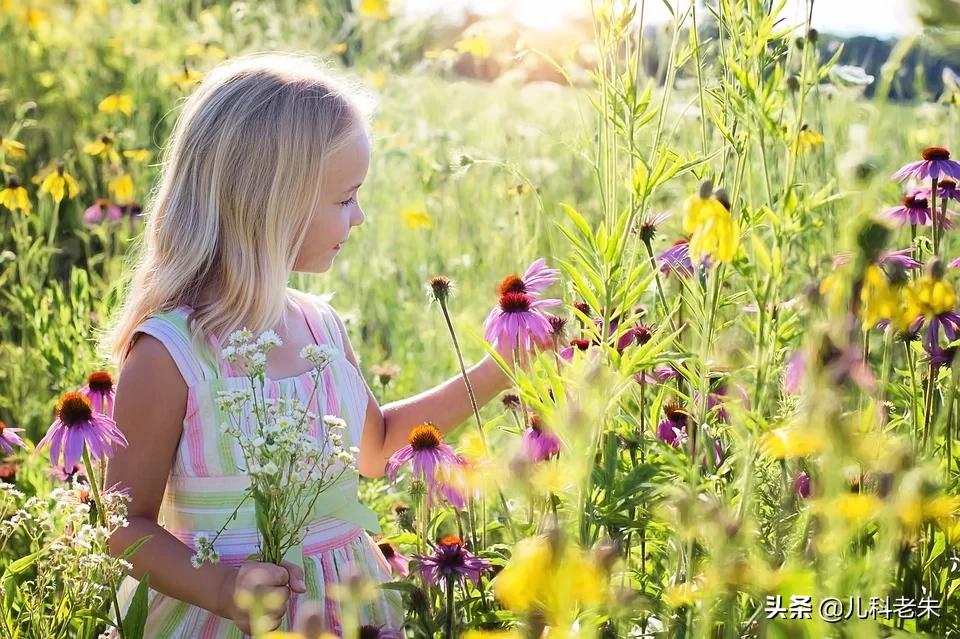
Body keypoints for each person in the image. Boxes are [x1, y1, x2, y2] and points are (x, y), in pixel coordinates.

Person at [100, 51, 518, 637]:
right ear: (271, 205)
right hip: (221, 619)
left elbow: (376, 448)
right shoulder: (171, 353)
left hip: (346, 609)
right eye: (345, 199)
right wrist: (221, 588)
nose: (360, 216)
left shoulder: (321, 326)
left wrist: (499, 368)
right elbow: (123, 527)